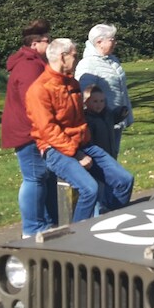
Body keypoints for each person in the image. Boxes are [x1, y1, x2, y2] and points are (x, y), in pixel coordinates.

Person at [26, 38, 134, 224]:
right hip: (55, 149)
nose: (76, 60)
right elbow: (48, 131)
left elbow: (80, 119)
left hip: (83, 144)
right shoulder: (40, 90)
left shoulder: (72, 84)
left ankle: (109, 219)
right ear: (62, 57)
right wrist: (77, 154)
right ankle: (76, 236)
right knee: (89, 189)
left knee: (124, 180)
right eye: (74, 56)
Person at [1, 19, 59, 238]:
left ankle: (44, 222)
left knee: (42, 176)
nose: (50, 44)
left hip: (32, 129)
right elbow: (32, 102)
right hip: (28, 132)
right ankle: (33, 227)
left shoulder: (33, 62)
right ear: (35, 44)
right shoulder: (29, 66)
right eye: (47, 41)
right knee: (34, 177)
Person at [76, 24, 133, 160]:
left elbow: (122, 89)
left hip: (116, 118)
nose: (115, 42)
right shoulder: (88, 64)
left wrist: (127, 114)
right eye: (112, 39)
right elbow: (85, 96)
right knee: (103, 160)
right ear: (99, 42)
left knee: (113, 157)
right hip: (100, 123)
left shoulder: (113, 60)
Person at [84, 86, 117, 158]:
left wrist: (121, 112)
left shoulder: (107, 115)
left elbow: (115, 118)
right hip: (97, 156)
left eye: (102, 101)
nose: (99, 104)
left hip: (110, 152)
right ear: (86, 102)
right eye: (95, 101)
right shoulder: (87, 119)